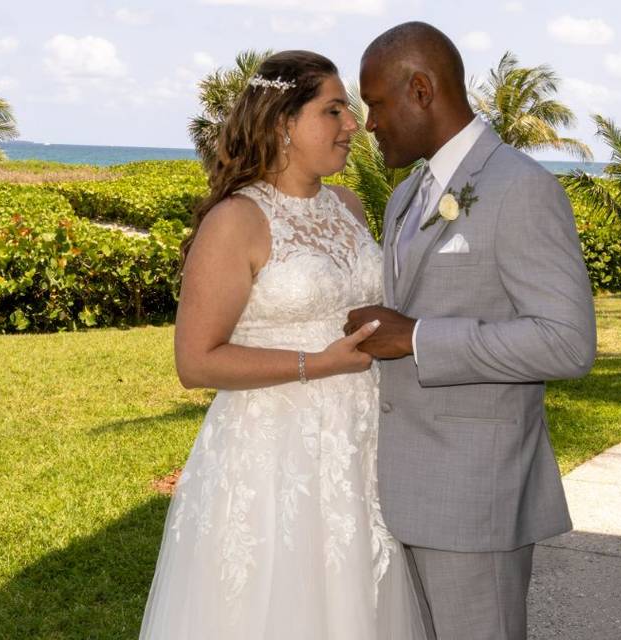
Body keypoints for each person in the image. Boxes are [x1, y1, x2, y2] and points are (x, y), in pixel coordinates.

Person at [139, 50, 426, 640]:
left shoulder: (347, 207)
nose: (354, 126)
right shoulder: (237, 221)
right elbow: (196, 361)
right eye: (335, 110)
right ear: (282, 124)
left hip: (361, 443)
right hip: (273, 452)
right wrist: (316, 364)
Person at [345, 22, 597, 640]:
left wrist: (418, 337)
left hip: (475, 497)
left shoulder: (522, 189)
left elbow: (568, 341)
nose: (368, 124)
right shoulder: (403, 196)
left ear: (422, 90)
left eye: (376, 103)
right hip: (399, 491)